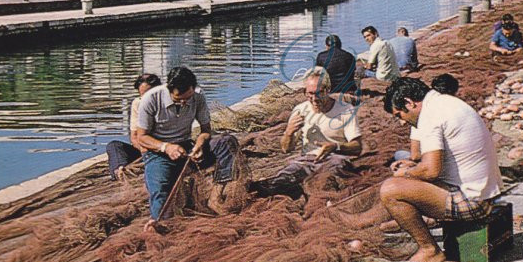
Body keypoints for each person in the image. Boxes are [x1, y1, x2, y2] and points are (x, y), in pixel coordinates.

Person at [380, 78, 502, 262]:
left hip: (474, 200)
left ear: (409, 102)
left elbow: (430, 171)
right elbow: (429, 161)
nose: (402, 123)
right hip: (486, 192)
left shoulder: (430, 115)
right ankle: (408, 221)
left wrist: (405, 174)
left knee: (390, 190)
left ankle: (430, 251)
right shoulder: (444, 102)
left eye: (399, 115)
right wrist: (412, 169)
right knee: (402, 182)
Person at [134, 66, 239, 219]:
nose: (184, 103)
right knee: (160, 189)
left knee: (226, 142)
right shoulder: (150, 99)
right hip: (158, 152)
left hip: (187, 146)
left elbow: (205, 130)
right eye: (178, 99)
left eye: (187, 98)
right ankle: (162, 222)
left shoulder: (198, 95)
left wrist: (199, 145)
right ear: (169, 90)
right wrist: (166, 147)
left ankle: (217, 196)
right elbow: (141, 137)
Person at [249, 67, 362, 197]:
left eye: (319, 93)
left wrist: (335, 146)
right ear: (305, 92)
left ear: (328, 90)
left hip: (335, 159)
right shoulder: (300, 110)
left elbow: (357, 148)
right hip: (307, 160)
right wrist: (289, 133)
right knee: (284, 177)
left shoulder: (346, 110)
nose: (314, 98)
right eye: (310, 93)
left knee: (328, 178)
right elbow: (286, 149)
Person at [106, 73, 161, 183]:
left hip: (163, 148)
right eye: (142, 96)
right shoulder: (137, 103)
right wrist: (144, 150)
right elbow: (134, 137)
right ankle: (120, 170)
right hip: (144, 148)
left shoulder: (166, 102)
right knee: (114, 146)